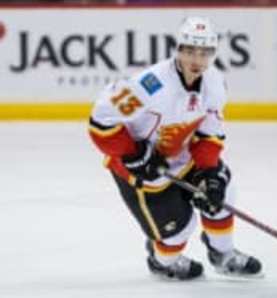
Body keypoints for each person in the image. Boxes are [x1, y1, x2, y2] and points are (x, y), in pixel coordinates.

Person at [88, 16, 262, 280]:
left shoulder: (214, 83)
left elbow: (208, 134)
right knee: (178, 232)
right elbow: (101, 122)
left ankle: (223, 255)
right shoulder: (151, 85)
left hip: (182, 157)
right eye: (190, 50)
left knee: (222, 193)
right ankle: (162, 262)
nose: (197, 59)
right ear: (178, 49)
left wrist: (209, 173)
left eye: (204, 52)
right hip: (140, 172)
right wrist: (134, 154)